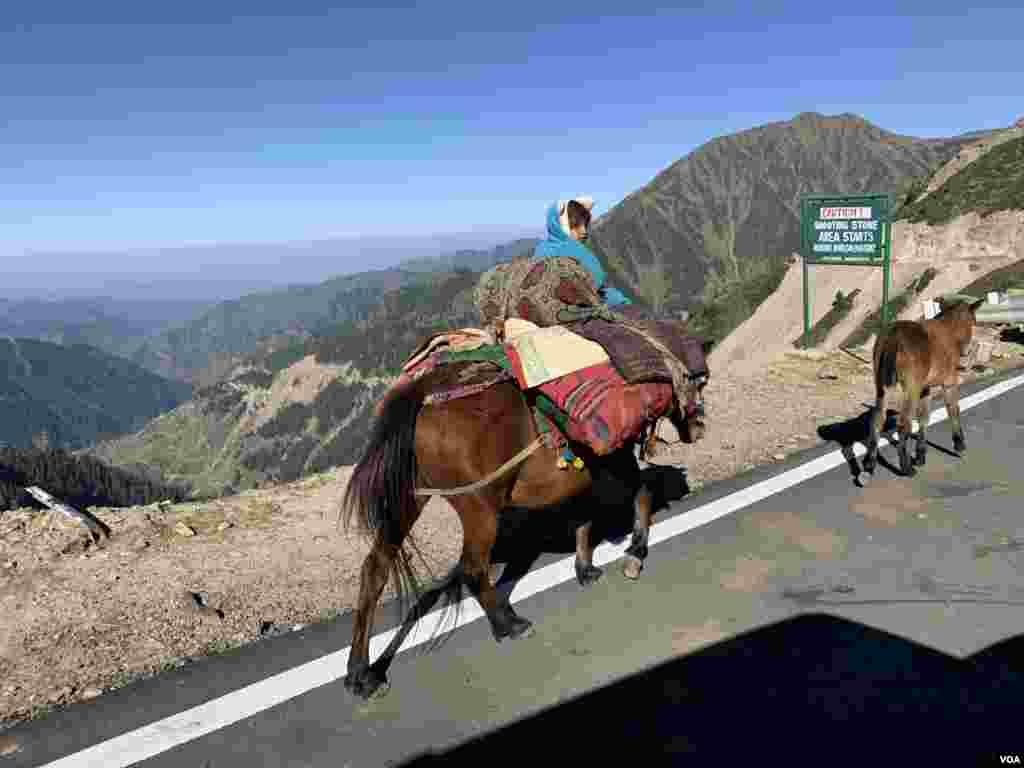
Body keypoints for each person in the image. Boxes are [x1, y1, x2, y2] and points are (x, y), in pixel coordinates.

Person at [533, 197, 633, 306]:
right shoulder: (573, 248)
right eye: (575, 226)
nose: (584, 232)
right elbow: (597, 281)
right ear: (563, 226)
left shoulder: (541, 248)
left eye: (584, 225)